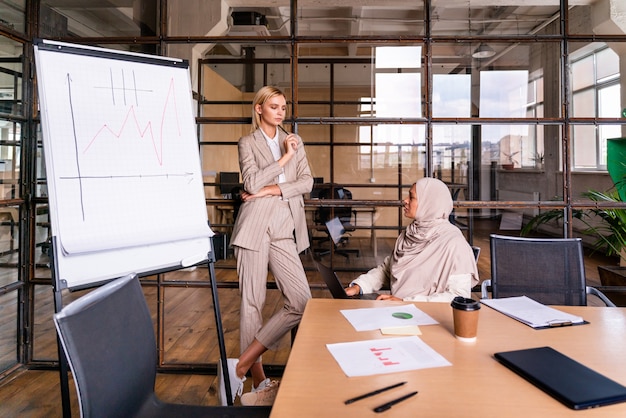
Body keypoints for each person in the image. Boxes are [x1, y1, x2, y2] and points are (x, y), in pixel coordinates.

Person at [218, 86, 313, 406]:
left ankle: (239, 366)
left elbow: (307, 182)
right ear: (259, 109)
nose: (280, 111)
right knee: (252, 304)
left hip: (285, 230)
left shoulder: (295, 140)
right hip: (254, 230)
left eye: (283, 107)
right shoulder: (248, 143)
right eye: (273, 106)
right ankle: (258, 382)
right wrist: (284, 159)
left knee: (301, 301)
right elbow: (250, 183)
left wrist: (269, 190)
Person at [345, 177, 479, 302]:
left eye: (412, 197)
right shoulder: (410, 234)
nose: (405, 200)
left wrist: (405, 302)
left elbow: (458, 295)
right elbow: (387, 270)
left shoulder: (453, 243)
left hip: (429, 318)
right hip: (398, 313)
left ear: (429, 203)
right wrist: (359, 286)